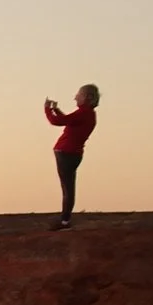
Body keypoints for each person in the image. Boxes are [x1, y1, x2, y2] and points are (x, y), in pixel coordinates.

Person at [44, 84, 100, 228]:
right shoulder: (86, 114)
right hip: (71, 153)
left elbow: (57, 121)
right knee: (68, 187)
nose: (75, 97)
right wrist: (55, 109)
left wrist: (47, 109)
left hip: (67, 153)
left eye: (78, 95)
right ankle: (65, 218)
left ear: (86, 97)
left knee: (67, 188)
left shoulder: (84, 113)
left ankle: (65, 220)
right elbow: (67, 120)